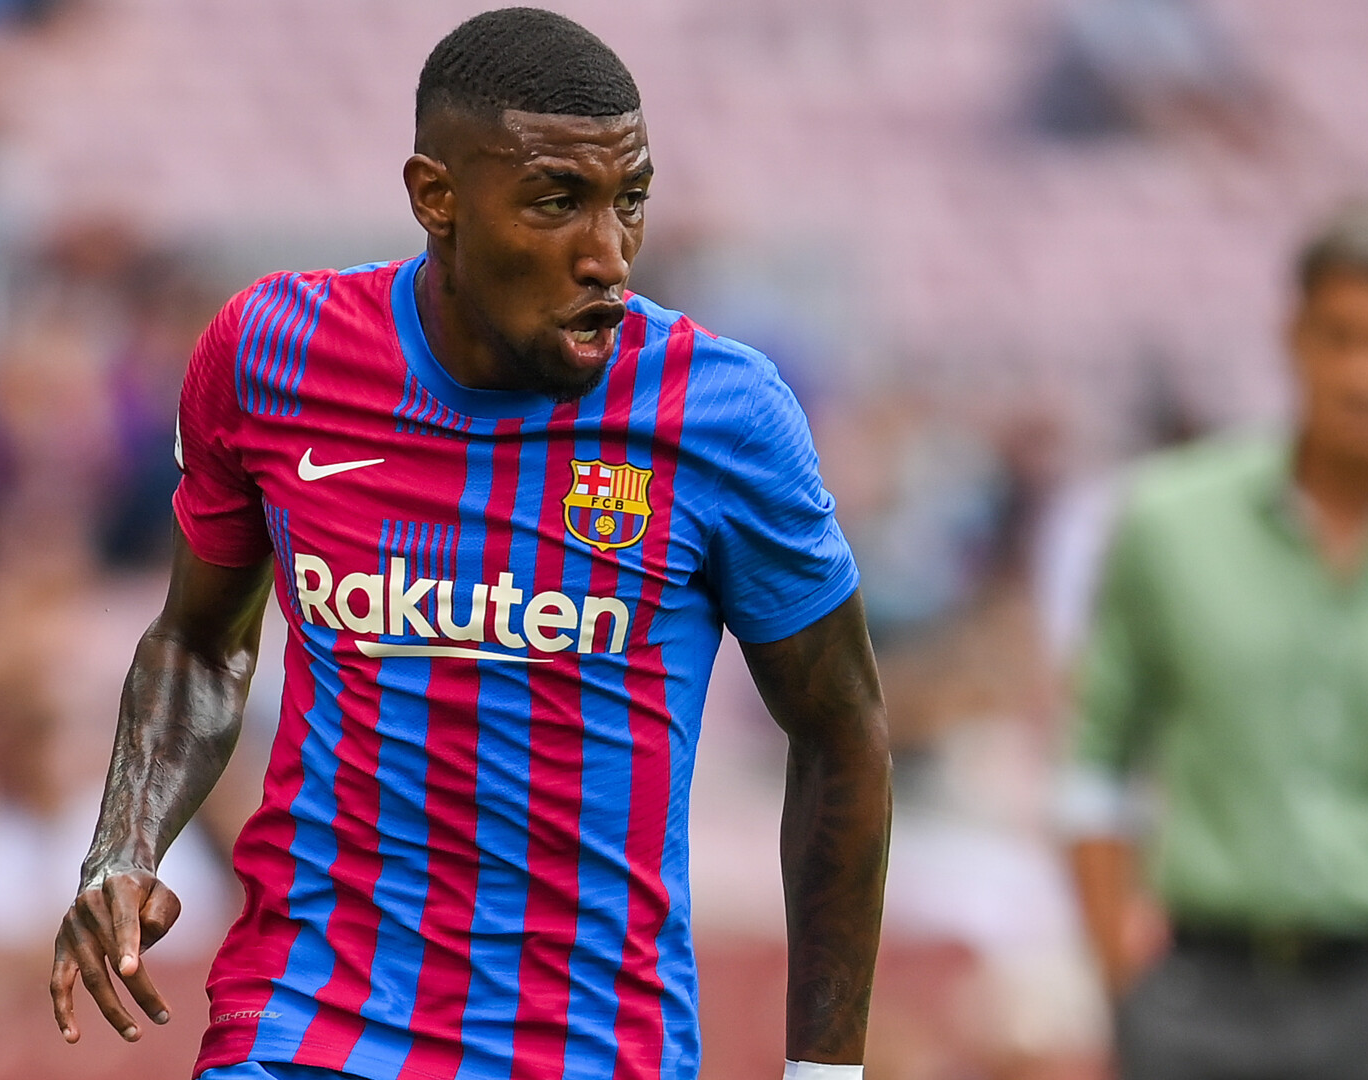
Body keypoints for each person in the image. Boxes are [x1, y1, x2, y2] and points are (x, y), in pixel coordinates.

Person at [49, 9, 892, 1080]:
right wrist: (123, 846)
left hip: (586, 1046)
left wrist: (826, 1074)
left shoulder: (721, 415)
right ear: (435, 197)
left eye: (630, 200)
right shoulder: (273, 355)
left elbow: (841, 732)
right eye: (558, 201)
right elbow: (198, 643)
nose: (608, 254)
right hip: (305, 1024)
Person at [1064, 199, 1368, 1080]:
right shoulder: (1169, 524)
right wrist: (1122, 974)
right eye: (1341, 338)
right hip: (1205, 994)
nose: (1367, 376)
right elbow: (1095, 764)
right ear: (1293, 338)